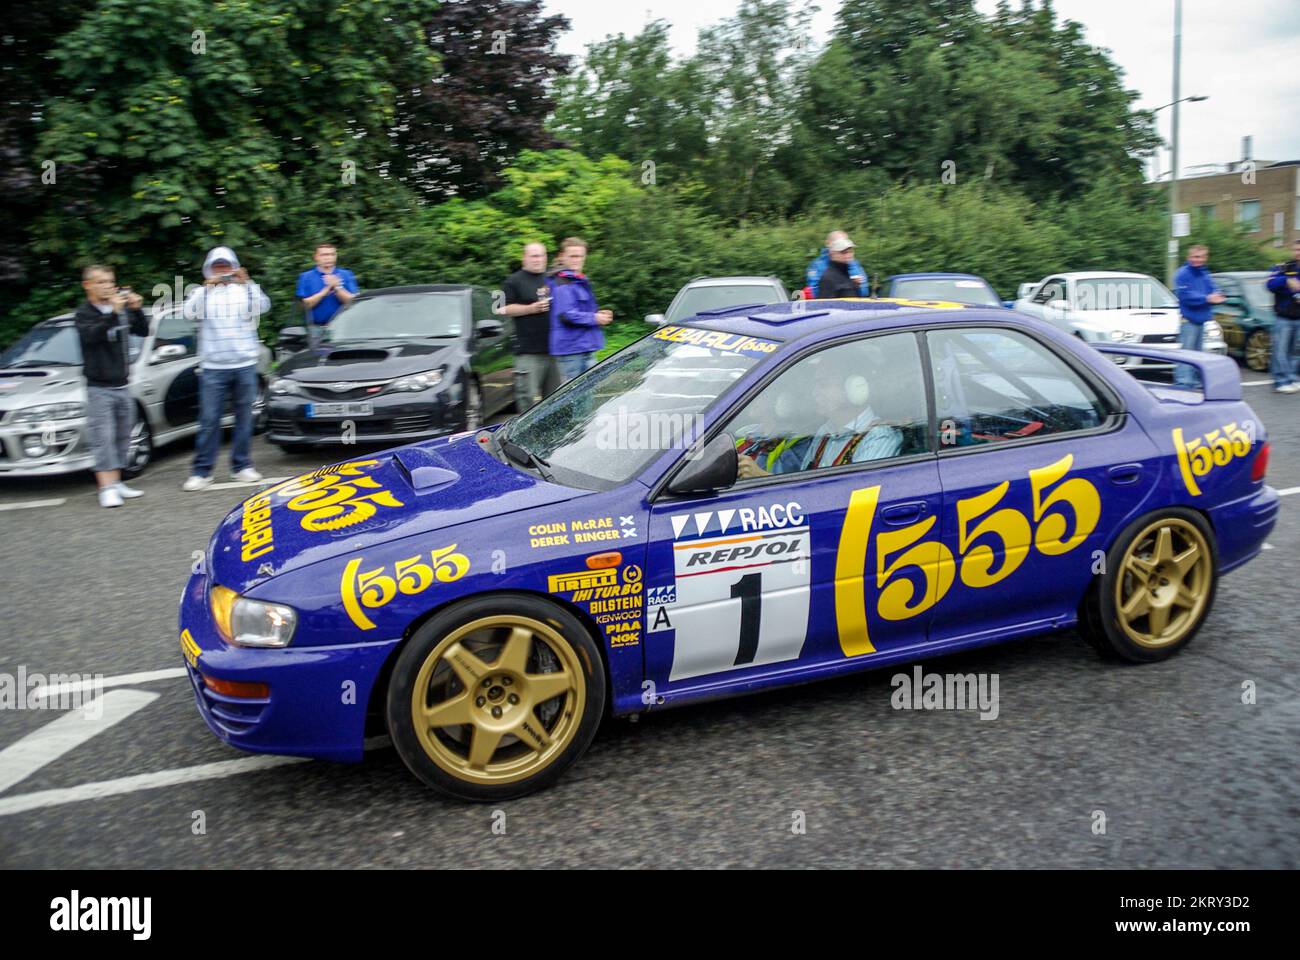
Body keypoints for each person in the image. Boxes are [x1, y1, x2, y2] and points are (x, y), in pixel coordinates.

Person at [181, 247, 270, 491]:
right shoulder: (202, 292)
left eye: (226, 266)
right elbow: (188, 313)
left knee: (244, 418)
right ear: (209, 268)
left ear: (234, 266)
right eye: (217, 266)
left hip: (244, 363)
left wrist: (247, 283)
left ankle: (241, 466)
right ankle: (202, 471)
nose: (222, 271)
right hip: (213, 366)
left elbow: (263, 306)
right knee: (209, 420)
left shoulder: (245, 289)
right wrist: (206, 288)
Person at [736, 351, 901, 479]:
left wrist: (762, 477)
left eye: (823, 385)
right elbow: (804, 486)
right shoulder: (825, 432)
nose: (815, 393)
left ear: (853, 388)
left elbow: (855, 497)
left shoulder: (878, 437)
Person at [73, 265, 149, 508]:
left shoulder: (121, 309)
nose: (107, 286)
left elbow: (143, 330)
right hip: (99, 387)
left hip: (122, 384)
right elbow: (91, 337)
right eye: (101, 282)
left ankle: (116, 483)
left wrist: (135, 309)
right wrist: (113, 314)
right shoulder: (84, 313)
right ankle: (105, 488)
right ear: (88, 285)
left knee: (122, 436)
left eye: (110, 281)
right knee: (103, 438)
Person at [500, 242, 558, 409]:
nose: (538, 259)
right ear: (524, 258)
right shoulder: (512, 281)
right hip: (528, 352)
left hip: (556, 350)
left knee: (558, 402)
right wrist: (530, 308)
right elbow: (500, 309)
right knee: (528, 402)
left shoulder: (553, 279)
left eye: (541, 255)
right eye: (534, 256)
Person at [547, 237, 613, 382]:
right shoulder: (561, 281)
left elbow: (579, 311)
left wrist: (598, 314)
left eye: (580, 256)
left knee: (588, 391)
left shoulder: (577, 280)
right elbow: (566, 315)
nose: (577, 260)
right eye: (573, 256)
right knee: (574, 393)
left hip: (584, 346)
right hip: (571, 350)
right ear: (561, 256)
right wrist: (595, 318)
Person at [1172, 244, 1224, 388]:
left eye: (1201, 257)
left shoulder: (1204, 273)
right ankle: (1183, 384)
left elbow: (1214, 288)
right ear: (1189, 257)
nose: (1198, 260)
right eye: (1195, 257)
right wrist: (1207, 298)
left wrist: (1219, 294)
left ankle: (1195, 383)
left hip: (1201, 321)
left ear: (1205, 258)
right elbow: (1185, 295)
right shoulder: (1182, 274)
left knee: (1198, 354)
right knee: (1186, 354)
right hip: (1188, 321)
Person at [295, 243, 358, 349]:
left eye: (332, 254)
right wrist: (325, 290)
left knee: (343, 357)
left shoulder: (346, 275)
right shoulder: (305, 277)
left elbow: (353, 303)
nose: (328, 258)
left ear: (336, 256)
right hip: (316, 330)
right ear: (316, 257)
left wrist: (337, 288)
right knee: (318, 358)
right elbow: (304, 305)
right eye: (324, 255)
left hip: (343, 328)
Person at [1266, 239, 1300, 394]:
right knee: (1280, 351)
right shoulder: (1283, 267)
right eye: (1296, 249)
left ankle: (1293, 378)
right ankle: (1281, 381)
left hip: (1298, 317)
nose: (1298, 253)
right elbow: (1270, 284)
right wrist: (1286, 280)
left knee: (1295, 351)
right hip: (1284, 317)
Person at [803, 230, 869, 299]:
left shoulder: (854, 263)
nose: (848, 255)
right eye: (843, 252)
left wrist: (857, 286)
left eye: (850, 251)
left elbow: (864, 290)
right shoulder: (817, 265)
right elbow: (815, 291)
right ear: (828, 244)